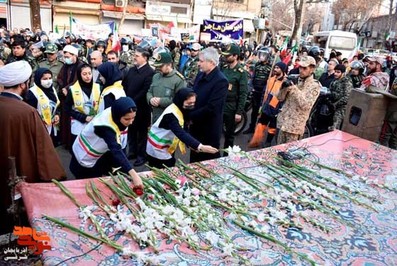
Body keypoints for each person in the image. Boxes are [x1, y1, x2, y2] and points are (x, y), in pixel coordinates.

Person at [0, 61, 65, 234]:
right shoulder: (27, 112)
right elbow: (43, 150)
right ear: (23, 84)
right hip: (20, 179)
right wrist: (56, 177)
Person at [70, 97, 143, 190]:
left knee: (98, 178)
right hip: (85, 154)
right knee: (87, 186)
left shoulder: (115, 111)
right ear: (118, 115)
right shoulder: (105, 127)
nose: (131, 122)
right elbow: (116, 150)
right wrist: (134, 175)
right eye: (127, 119)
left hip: (99, 153)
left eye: (133, 118)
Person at [146, 88, 218, 168]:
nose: (192, 105)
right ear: (181, 100)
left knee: (170, 164)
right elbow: (180, 132)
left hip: (166, 145)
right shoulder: (171, 114)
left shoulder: (180, 108)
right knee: (165, 167)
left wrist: (191, 145)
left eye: (194, 102)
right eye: (189, 103)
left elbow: (184, 127)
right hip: (157, 147)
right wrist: (200, 147)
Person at [189, 47, 229, 163]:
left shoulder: (221, 81)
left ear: (211, 62)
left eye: (201, 61)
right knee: (195, 160)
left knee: (208, 162)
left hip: (208, 129)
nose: (198, 64)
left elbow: (211, 107)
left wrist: (191, 116)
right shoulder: (201, 75)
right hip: (196, 126)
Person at [276, 56, 321, 144]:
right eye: (300, 67)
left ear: (312, 69)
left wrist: (294, 89)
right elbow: (279, 98)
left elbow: (306, 105)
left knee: (290, 155)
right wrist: (283, 88)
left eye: (304, 68)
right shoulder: (295, 79)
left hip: (294, 128)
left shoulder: (315, 86)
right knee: (278, 151)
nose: (301, 70)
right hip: (283, 123)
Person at [122, 47, 155, 166]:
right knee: (131, 130)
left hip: (141, 109)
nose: (134, 58)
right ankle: (132, 152)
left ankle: (142, 156)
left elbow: (145, 91)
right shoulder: (131, 70)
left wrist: (131, 102)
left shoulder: (150, 72)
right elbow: (124, 85)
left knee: (141, 133)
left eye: (137, 56)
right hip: (129, 107)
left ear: (145, 58)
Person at [248, 62, 288, 148]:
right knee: (261, 124)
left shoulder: (285, 83)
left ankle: (268, 142)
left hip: (276, 108)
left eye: (277, 68)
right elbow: (264, 93)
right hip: (266, 106)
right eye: (275, 67)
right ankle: (256, 140)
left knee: (272, 127)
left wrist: (280, 109)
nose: (275, 69)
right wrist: (262, 104)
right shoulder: (270, 79)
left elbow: (285, 98)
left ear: (283, 70)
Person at [64, 64, 101, 149]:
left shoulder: (98, 87)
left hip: (94, 123)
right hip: (79, 124)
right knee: (79, 149)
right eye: (84, 74)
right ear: (79, 75)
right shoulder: (72, 89)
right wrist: (83, 117)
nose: (88, 76)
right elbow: (67, 108)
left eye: (89, 73)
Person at [221, 43, 248, 154]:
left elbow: (243, 94)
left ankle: (226, 156)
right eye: (225, 55)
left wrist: (239, 112)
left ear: (235, 56)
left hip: (231, 106)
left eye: (228, 56)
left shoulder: (241, 73)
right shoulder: (224, 68)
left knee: (229, 135)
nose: (226, 57)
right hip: (221, 104)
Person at [57, 44, 84, 148]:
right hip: (64, 96)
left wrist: (67, 88)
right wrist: (62, 87)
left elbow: (78, 81)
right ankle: (65, 141)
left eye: (68, 57)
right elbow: (59, 78)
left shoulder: (80, 66)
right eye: (65, 57)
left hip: (75, 97)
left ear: (74, 56)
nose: (66, 59)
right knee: (65, 119)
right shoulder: (65, 66)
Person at [147, 52, 186, 123]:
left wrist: (161, 101)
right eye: (157, 66)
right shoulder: (156, 76)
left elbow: (179, 101)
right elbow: (149, 91)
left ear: (169, 65)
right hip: (155, 117)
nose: (158, 68)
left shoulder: (178, 80)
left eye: (160, 66)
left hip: (170, 119)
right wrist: (150, 99)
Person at [26, 68, 61, 146]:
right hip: (38, 128)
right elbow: (29, 113)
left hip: (51, 126)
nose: (48, 81)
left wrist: (57, 115)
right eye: (45, 79)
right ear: (38, 79)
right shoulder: (32, 93)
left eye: (50, 78)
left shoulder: (52, 89)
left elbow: (56, 105)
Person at [244, 47, 272, 134]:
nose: (262, 56)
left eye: (264, 55)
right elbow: (253, 76)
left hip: (264, 92)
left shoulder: (271, 67)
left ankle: (258, 131)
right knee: (254, 111)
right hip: (255, 90)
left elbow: (270, 80)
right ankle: (251, 127)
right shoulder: (257, 65)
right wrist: (251, 86)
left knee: (261, 112)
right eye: (261, 54)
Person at [328, 64, 353, 130]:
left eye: (338, 72)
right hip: (332, 104)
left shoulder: (347, 82)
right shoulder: (335, 80)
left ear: (343, 73)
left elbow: (347, 97)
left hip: (342, 107)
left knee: (335, 125)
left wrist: (335, 104)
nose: (335, 74)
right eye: (335, 71)